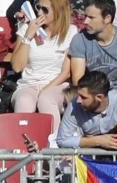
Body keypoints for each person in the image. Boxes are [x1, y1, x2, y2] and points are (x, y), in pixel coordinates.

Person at [11, 0, 78, 131]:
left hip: (57, 84)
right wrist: (28, 36)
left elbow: (66, 72)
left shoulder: (71, 31)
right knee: (24, 101)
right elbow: (17, 67)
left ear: (58, 12)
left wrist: (45, 89)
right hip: (28, 84)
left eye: (45, 10)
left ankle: (55, 146)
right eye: (38, 8)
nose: (39, 12)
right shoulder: (27, 28)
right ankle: (19, 146)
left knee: (46, 100)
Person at [56, 70, 117, 149]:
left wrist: (112, 146)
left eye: (84, 97)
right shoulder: (74, 104)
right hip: (93, 160)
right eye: (78, 95)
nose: (78, 100)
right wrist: (97, 141)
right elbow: (62, 140)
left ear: (99, 97)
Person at [69, 0, 117, 95]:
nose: (86, 21)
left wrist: (109, 97)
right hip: (90, 94)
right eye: (85, 16)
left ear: (107, 18)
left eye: (91, 17)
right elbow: (77, 80)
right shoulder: (80, 39)